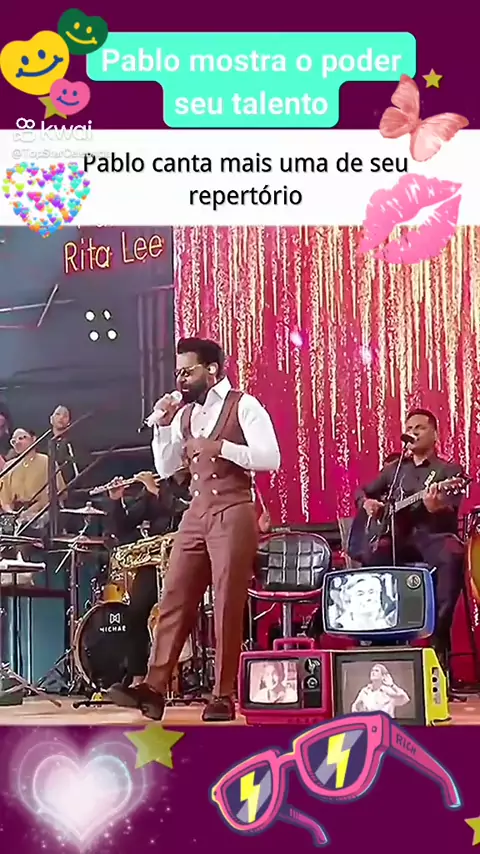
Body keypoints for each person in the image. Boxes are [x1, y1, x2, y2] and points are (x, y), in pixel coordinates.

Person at [109, 337, 281, 722]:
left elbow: (270, 457)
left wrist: (222, 447)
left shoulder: (244, 405)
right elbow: (168, 468)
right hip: (197, 512)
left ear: (212, 370)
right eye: (178, 373)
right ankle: (154, 688)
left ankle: (223, 695)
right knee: (174, 596)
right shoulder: (186, 415)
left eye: (187, 372)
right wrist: (161, 428)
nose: (181, 380)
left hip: (234, 508)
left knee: (226, 601)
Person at [351, 408, 466, 665]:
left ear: (435, 434)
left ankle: (438, 638)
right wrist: (367, 503)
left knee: (453, 555)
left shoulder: (448, 471)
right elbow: (362, 491)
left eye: (420, 428)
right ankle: (378, 639)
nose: (413, 432)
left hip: (433, 535)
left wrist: (436, 506)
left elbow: (450, 507)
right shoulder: (395, 470)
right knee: (372, 560)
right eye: (409, 428)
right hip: (398, 538)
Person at [105, 470, 190, 688]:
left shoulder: (199, 481)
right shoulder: (162, 484)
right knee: (135, 611)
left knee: (176, 614)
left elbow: (186, 511)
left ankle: (184, 674)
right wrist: (116, 501)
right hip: (156, 559)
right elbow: (123, 527)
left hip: (189, 557)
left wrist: (155, 491)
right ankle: (138, 677)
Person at [0, 428, 66, 531]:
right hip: (16, 514)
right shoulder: (9, 466)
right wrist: (11, 513)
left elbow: (59, 492)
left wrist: (31, 511)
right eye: (13, 441)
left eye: (22, 438)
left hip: (40, 512)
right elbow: (5, 499)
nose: (17, 442)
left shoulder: (46, 461)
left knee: (33, 526)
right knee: (7, 529)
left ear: (33, 439)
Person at [328, 572, 397, 631]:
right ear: (348, 602)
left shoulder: (389, 623)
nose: (368, 598)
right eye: (360, 594)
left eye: (371, 592)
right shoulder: (339, 627)